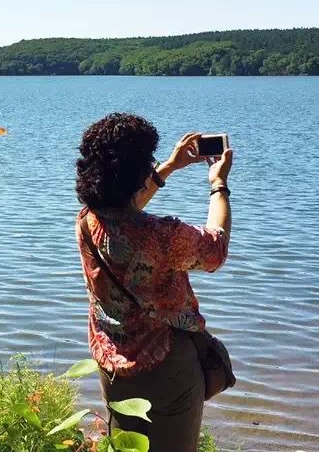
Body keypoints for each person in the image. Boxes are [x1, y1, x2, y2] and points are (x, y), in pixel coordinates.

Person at [74, 113, 234, 452]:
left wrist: (169, 167)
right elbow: (215, 250)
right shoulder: (163, 236)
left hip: (111, 361)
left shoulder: (88, 219)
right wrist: (218, 184)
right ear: (137, 172)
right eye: (148, 161)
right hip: (166, 367)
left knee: (127, 447)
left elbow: (123, 209)